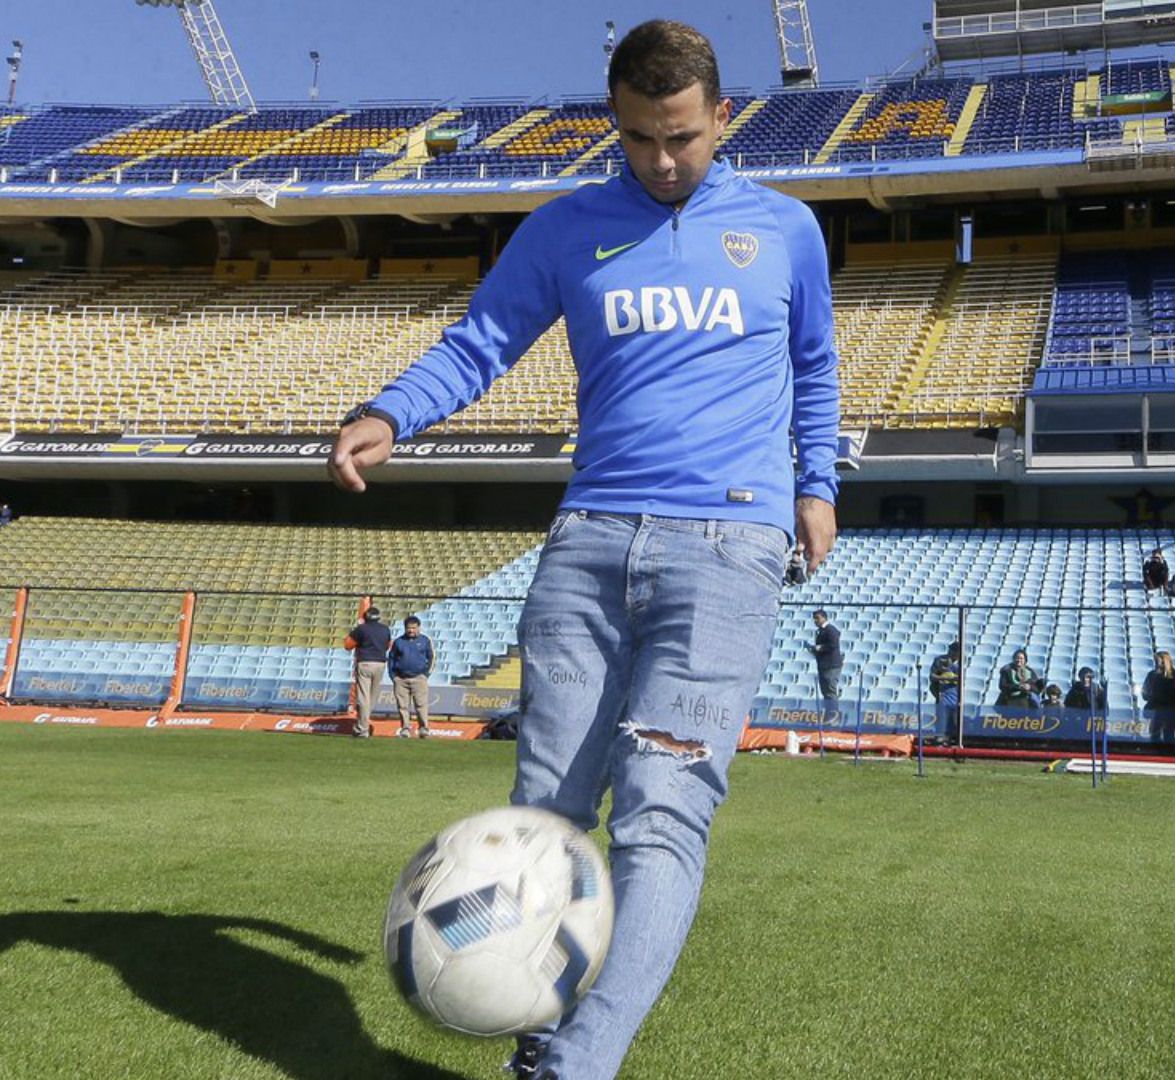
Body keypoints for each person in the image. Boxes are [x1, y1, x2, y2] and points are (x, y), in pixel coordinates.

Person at [327, 21, 839, 1080]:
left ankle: (572, 1066)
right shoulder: (567, 230)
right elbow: (481, 342)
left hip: (728, 545)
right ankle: (543, 1042)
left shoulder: (786, 231)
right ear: (617, 121)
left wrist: (817, 485)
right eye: (642, 138)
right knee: (546, 817)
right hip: (588, 543)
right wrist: (393, 413)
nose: (662, 161)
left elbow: (817, 369)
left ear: (721, 118)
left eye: (684, 139)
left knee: (662, 812)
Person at [342, 605, 392, 739]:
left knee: (363, 697)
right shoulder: (385, 629)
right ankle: (362, 724)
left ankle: (362, 728)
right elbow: (388, 645)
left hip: (365, 662)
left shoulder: (361, 629)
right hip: (380, 663)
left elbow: (348, 645)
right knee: (372, 696)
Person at [387, 616, 436, 738]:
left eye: (414, 628)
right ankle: (405, 729)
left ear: (419, 628)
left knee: (421, 705)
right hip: (401, 679)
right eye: (409, 628)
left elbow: (432, 658)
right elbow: (391, 659)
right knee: (402, 706)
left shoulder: (425, 640)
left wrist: (426, 675)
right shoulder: (398, 642)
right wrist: (393, 676)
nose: (411, 630)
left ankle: (423, 729)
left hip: (419, 678)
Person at [809, 609, 843, 725]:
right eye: (814, 619)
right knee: (825, 691)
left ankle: (834, 716)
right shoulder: (820, 631)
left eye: (817, 618)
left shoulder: (831, 630)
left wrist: (820, 648)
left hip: (831, 665)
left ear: (824, 617)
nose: (815, 621)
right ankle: (829, 715)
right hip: (823, 665)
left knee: (830, 690)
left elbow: (833, 645)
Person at [928, 641, 962, 730]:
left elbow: (961, 679)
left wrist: (952, 678)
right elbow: (932, 676)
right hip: (941, 693)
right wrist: (944, 678)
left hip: (955, 694)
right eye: (951, 650)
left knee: (954, 719)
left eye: (955, 652)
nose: (952, 653)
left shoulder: (960, 664)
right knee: (941, 716)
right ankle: (940, 735)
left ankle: (953, 737)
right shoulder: (939, 660)